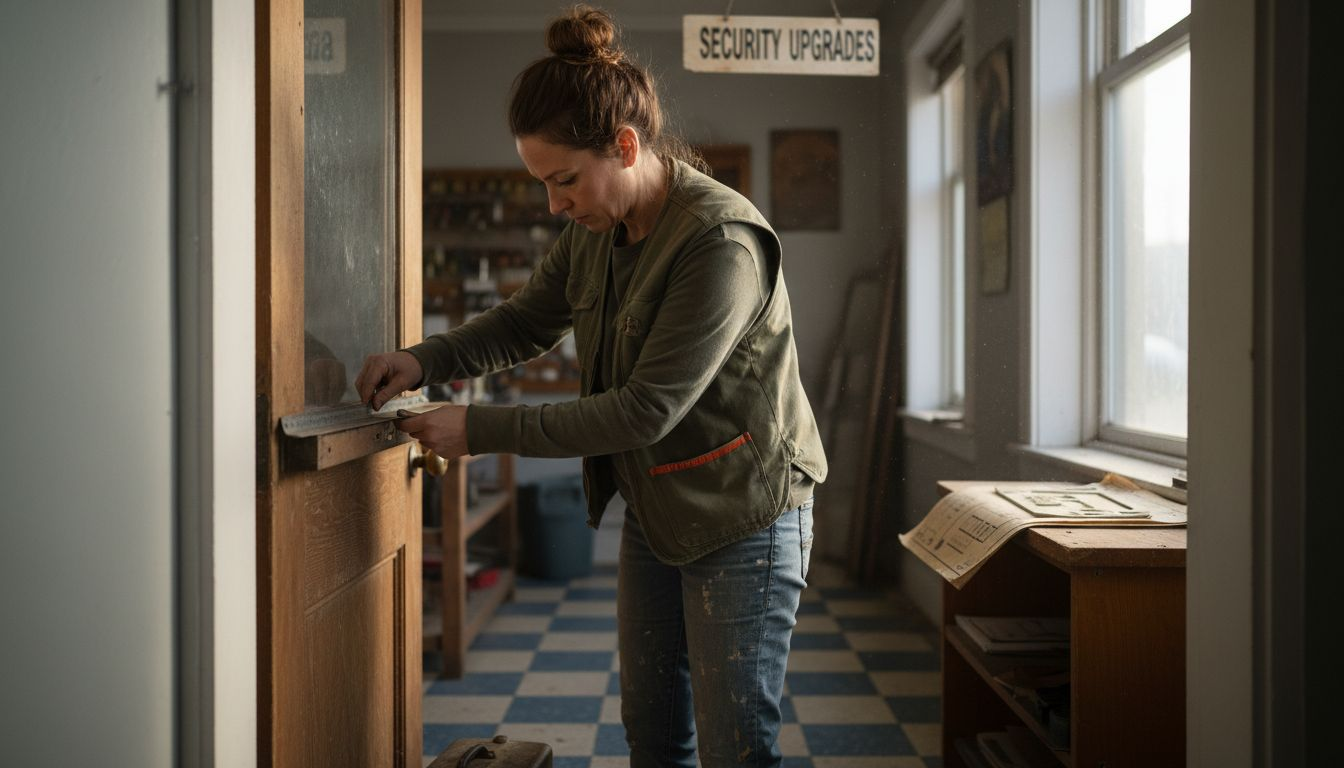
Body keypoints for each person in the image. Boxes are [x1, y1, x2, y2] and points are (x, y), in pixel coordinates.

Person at [355, 6, 827, 765]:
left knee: (738, 745)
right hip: (658, 502)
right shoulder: (593, 231)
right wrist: (424, 360)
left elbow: (644, 411)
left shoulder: (719, 243)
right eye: (542, 183)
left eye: (564, 180)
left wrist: (477, 432)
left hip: (746, 516)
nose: (554, 204)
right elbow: (522, 324)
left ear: (626, 146)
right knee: (652, 729)